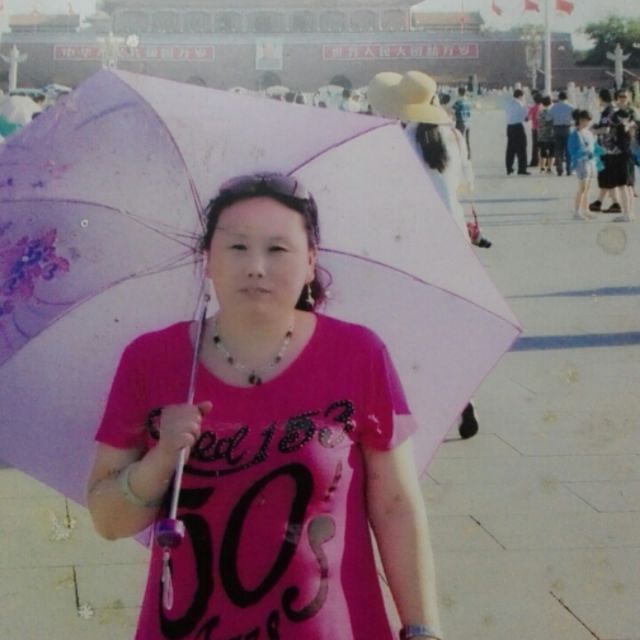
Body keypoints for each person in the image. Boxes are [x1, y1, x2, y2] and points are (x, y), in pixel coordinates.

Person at [87, 173, 443, 640]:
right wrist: (161, 459)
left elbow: (396, 506)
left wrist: (422, 630)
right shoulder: (151, 359)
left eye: (277, 249)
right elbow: (109, 520)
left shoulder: (358, 354)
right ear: (208, 259)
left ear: (310, 261)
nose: (256, 267)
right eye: (237, 247)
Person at [367, 70, 484, 439]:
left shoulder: (402, 140)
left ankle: (421, 402)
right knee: (449, 324)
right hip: (455, 239)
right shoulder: (453, 135)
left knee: (413, 325)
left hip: (415, 241)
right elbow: (464, 183)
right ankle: (465, 396)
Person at [589, 88, 622, 214]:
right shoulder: (614, 109)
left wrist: (594, 131)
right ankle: (599, 202)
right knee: (605, 177)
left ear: (601, 98)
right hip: (614, 148)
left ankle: (616, 203)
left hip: (607, 149)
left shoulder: (607, 112)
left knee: (607, 176)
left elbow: (606, 129)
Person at [567, 110, 599, 220]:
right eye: (586, 120)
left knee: (588, 188)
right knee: (582, 188)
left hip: (590, 161)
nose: (588, 123)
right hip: (581, 162)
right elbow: (572, 150)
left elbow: (593, 146)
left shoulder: (588, 132)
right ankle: (577, 211)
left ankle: (586, 209)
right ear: (580, 120)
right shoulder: (575, 134)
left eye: (589, 120)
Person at [504, 88, 530, 175]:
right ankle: (522, 168)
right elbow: (526, 117)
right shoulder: (520, 104)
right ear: (520, 96)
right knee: (521, 148)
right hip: (518, 126)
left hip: (509, 127)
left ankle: (509, 167)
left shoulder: (508, 103)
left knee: (510, 148)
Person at [548, 91, 574, 176]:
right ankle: (569, 170)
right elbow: (575, 118)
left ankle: (559, 170)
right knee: (568, 150)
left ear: (559, 98)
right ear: (566, 98)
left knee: (558, 150)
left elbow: (548, 118)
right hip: (567, 129)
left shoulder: (553, 107)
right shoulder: (570, 107)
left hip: (556, 129)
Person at [451, 86, 472, 157]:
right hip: (468, 122)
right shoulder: (468, 102)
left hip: (460, 122)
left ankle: (460, 155)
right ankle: (468, 155)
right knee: (467, 140)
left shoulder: (458, 102)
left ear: (459, 92)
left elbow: (452, 110)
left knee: (459, 139)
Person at [537, 96, 555, 174]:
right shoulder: (552, 112)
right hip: (551, 133)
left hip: (541, 133)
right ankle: (549, 168)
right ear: (550, 103)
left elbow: (538, 122)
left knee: (542, 151)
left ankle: (542, 167)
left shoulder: (539, 112)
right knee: (552, 151)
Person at [528, 92, 543, 167]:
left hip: (535, 129)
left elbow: (528, 118)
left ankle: (535, 161)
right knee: (544, 145)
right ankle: (545, 161)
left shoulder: (533, 108)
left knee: (535, 146)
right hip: (543, 129)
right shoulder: (543, 107)